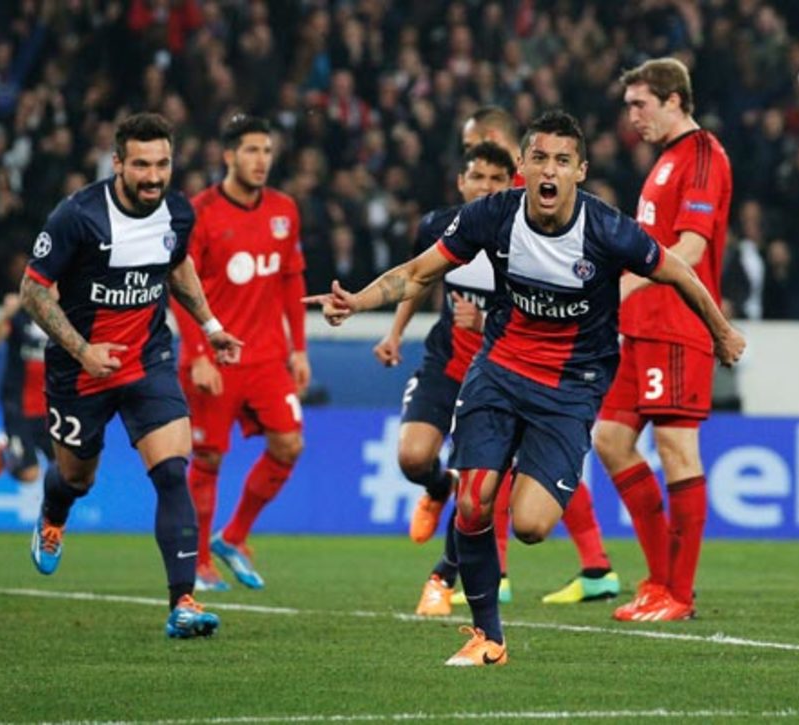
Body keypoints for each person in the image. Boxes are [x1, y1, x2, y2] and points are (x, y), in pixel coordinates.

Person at [307, 110, 744, 666]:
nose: (549, 170)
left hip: (571, 389)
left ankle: (564, 570)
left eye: (562, 161)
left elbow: (679, 271)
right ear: (522, 165)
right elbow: (417, 272)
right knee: (472, 500)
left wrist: (721, 330)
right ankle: (488, 635)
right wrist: (359, 300)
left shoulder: (606, 229)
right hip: (499, 371)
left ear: (579, 171)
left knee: (533, 524)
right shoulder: (493, 215)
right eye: (539, 157)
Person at [376, 110, 620, 615]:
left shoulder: (535, 226)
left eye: (490, 155)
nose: (482, 169)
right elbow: (419, 277)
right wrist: (394, 330)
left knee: (525, 473)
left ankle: (481, 575)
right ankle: (457, 520)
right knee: (417, 459)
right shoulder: (455, 225)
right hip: (452, 363)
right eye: (471, 154)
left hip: (510, 368)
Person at [20, 112, 243, 638]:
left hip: (148, 361)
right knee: (77, 477)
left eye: (162, 164)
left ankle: (182, 602)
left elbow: (178, 265)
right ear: (117, 163)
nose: (153, 176)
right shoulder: (78, 216)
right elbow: (32, 290)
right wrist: (82, 349)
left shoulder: (178, 214)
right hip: (81, 371)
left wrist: (210, 325)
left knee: (171, 472)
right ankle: (54, 513)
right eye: (141, 164)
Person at [593, 57, 733, 622]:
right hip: (642, 327)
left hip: (677, 325)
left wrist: (620, 291)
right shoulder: (667, 161)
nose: (632, 117)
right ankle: (657, 581)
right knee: (610, 439)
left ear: (675, 100)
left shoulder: (701, 156)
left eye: (640, 104)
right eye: (629, 106)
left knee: (677, 451)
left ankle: (679, 591)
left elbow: (693, 248)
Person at [170, 114, 308, 592]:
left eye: (266, 151)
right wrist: (199, 353)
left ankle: (235, 536)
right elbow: (179, 286)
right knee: (207, 460)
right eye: (251, 150)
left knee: (289, 445)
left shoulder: (285, 210)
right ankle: (200, 562)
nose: (261, 160)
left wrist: (300, 349)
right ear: (228, 155)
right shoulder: (201, 211)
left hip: (269, 357)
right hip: (216, 358)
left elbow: (291, 280)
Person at [0, 291, 52, 484]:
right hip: (18, 407)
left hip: (50, 408)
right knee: (30, 475)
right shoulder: (20, 316)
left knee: (69, 470)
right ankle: (6, 448)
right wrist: (6, 314)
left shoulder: (62, 319)